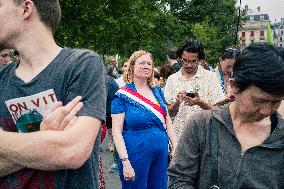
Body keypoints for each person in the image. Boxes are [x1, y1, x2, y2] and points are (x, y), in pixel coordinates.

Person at [0, 1, 106, 188]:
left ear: (26, 9)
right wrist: (43, 137)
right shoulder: (2, 78)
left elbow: (72, 151)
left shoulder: (82, 65)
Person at [168, 43, 284, 188]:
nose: (267, 111)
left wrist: (199, 102)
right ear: (235, 86)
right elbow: (179, 180)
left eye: (276, 102)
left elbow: (216, 104)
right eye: (259, 100)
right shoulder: (201, 125)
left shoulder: (280, 137)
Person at [111, 50, 177, 189]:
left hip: (160, 154)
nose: (146, 66)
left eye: (149, 64)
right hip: (135, 153)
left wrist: (175, 146)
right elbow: (116, 132)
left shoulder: (157, 91)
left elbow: (168, 122)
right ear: (132, 67)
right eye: (142, 63)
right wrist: (125, 162)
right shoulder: (122, 95)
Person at [164, 39, 225, 142]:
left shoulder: (210, 77)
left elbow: (219, 112)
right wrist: (177, 103)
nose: (188, 65)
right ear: (180, 58)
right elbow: (168, 115)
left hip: (204, 138)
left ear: (200, 60)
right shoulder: (172, 79)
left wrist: (199, 102)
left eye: (193, 61)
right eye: (185, 60)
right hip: (178, 139)